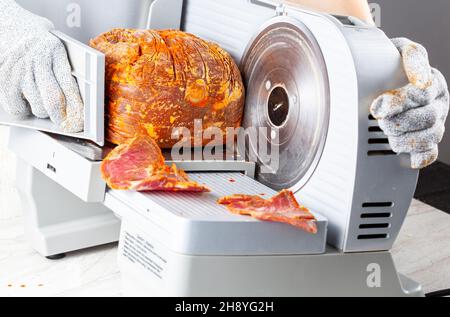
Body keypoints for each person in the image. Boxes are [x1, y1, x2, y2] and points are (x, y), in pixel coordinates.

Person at [0, 0, 448, 169]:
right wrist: (9, 36)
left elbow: (337, 17)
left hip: (221, 168)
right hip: (43, 195)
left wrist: (381, 70)